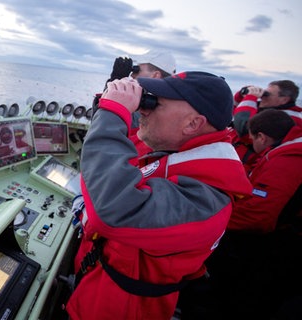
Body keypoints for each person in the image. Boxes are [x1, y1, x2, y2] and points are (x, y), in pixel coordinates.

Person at [65, 71, 252, 320]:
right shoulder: (176, 149)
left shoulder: (206, 201)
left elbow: (111, 208)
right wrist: (112, 102)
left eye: (156, 103)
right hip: (93, 285)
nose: (144, 109)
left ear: (192, 124)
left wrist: (111, 113)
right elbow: (125, 141)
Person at [201, 109, 302, 320]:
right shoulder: (288, 150)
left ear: (262, 137)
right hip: (280, 241)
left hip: (278, 247)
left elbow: (258, 217)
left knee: (249, 299)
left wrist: (212, 220)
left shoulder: (285, 162)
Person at [232, 80, 302, 173]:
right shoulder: (267, 110)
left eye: (267, 94)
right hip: (240, 161)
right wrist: (240, 95)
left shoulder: (288, 119)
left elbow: (243, 129)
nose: (262, 97)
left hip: (252, 168)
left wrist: (250, 98)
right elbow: (229, 113)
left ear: (284, 99)